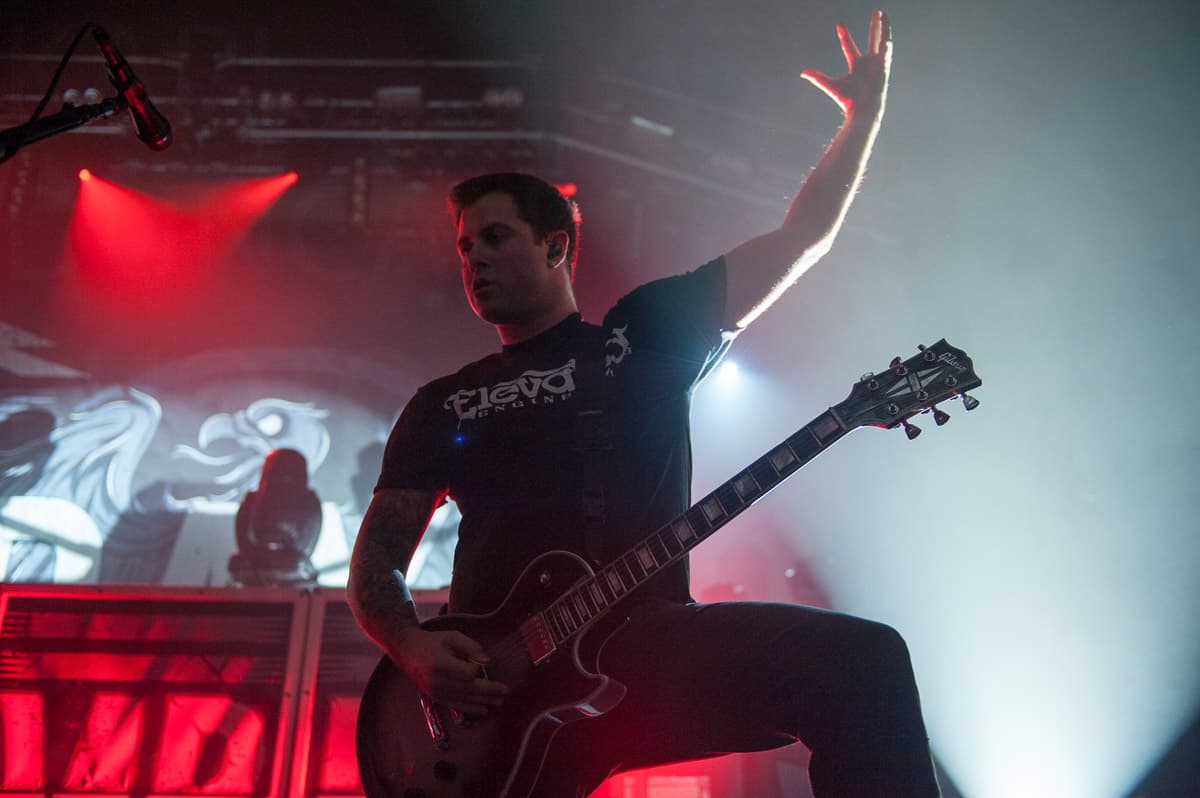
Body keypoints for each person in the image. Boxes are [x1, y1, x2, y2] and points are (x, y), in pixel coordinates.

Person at [349, 10, 941, 797]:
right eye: (464, 247)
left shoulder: (643, 335)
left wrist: (862, 121)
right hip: (497, 695)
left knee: (860, 663)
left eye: (495, 238)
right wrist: (414, 652)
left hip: (644, 650)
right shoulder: (446, 401)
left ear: (557, 245)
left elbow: (802, 236)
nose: (474, 259)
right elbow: (376, 562)